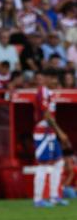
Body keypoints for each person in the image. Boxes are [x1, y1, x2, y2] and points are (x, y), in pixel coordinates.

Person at [33, 72, 71, 207]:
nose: (55, 82)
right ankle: (38, 199)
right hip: (43, 133)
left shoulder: (50, 93)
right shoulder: (42, 92)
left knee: (59, 162)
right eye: (53, 79)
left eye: (56, 79)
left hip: (50, 133)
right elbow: (46, 115)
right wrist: (60, 132)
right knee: (43, 165)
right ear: (47, 78)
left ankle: (55, 196)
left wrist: (57, 133)